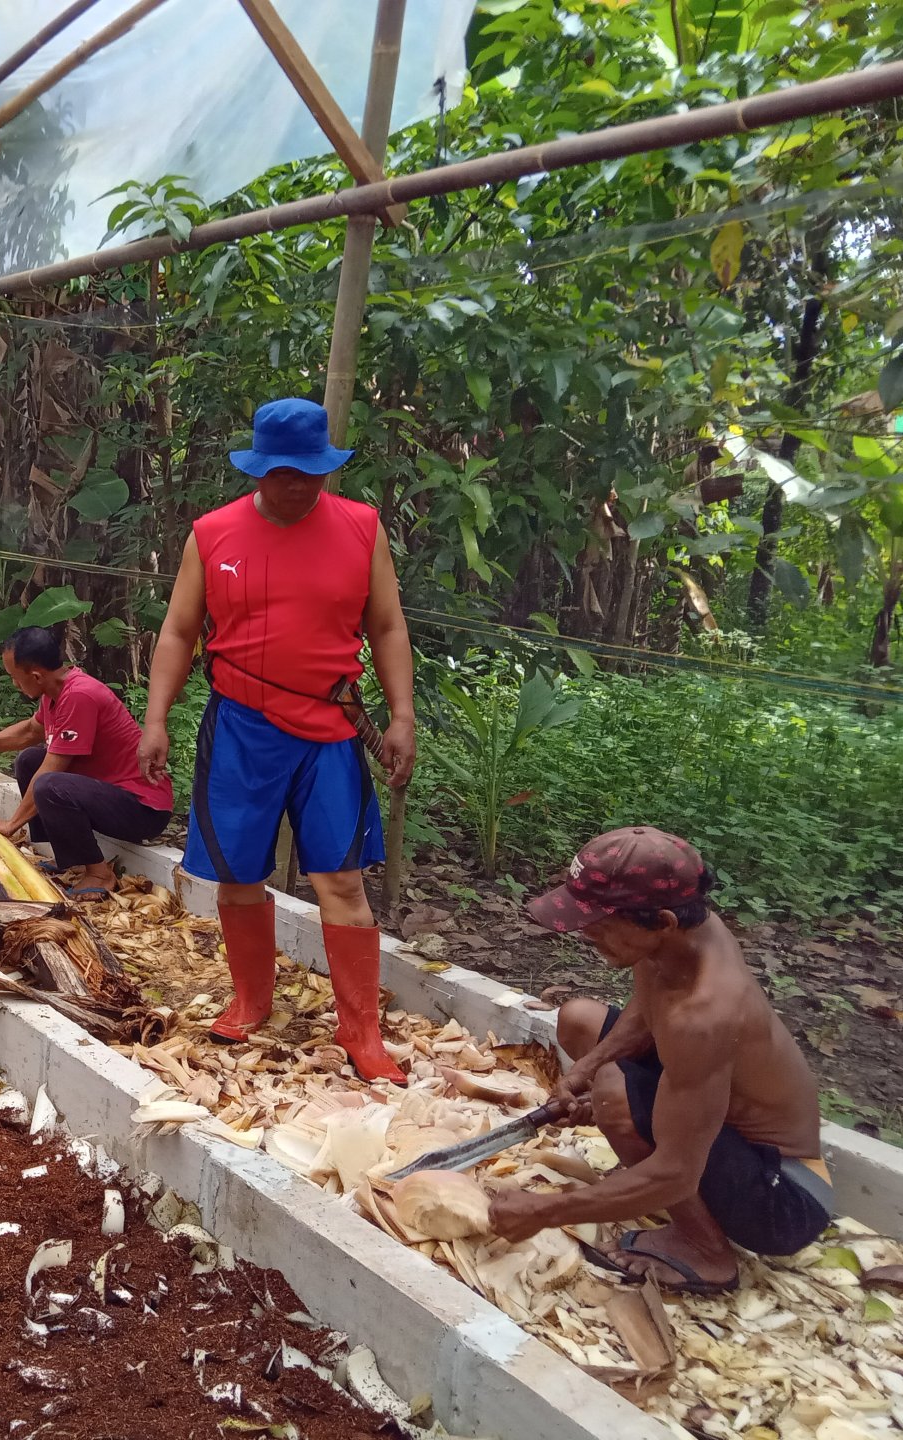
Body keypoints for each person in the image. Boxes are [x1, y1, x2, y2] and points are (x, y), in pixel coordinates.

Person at [138, 397, 416, 1079]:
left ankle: (362, 1032)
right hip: (239, 728)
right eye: (284, 472)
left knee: (341, 879)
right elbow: (178, 631)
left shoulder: (361, 528)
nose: (297, 484)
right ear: (259, 468)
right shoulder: (212, 534)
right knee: (238, 875)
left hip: (329, 733)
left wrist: (402, 713)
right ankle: (250, 1000)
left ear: (327, 467)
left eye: (311, 472)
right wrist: (155, 717)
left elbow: (386, 627)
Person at [486, 827, 829, 1294]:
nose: (586, 933)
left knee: (615, 1093)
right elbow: (650, 1011)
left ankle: (706, 1252)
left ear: (663, 921)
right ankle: (641, 1152)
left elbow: (675, 1173)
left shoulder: (706, 1012)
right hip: (725, 1132)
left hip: (782, 1195)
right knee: (581, 1021)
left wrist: (542, 1212)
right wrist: (584, 1069)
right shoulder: (683, 935)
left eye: (601, 922)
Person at [0, 627, 174, 898]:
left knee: (50, 785)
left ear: (36, 676)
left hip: (143, 809)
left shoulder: (79, 696)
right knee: (29, 760)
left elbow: (52, 769)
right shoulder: (55, 693)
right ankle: (70, 859)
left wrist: (10, 824)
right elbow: (30, 731)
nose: (15, 684)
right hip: (109, 791)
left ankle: (100, 874)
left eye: (15, 678)